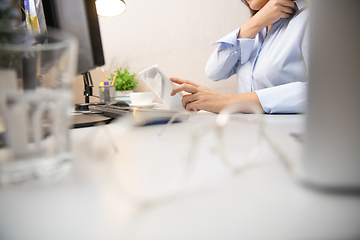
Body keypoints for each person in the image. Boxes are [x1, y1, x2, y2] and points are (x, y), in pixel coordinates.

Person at [170, 0, 308, 114]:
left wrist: (229, 101)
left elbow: (324, 91)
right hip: (248, 134)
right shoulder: (256, 30)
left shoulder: (309, 19)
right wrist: (255, 22)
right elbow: (214, 71)